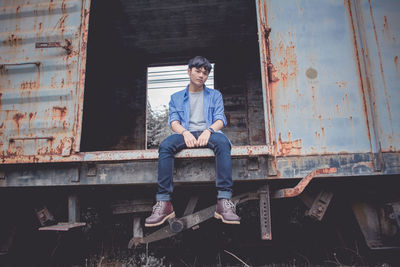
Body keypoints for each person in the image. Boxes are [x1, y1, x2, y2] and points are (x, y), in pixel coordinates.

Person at [145, 56, 240, 227]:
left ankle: (224, 201)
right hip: (185, 132)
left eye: (205, 73)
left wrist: (209, 130)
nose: (201, 75)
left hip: (209, 132)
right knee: (165, 146)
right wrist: (185, 133)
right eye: (197, 71)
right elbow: (174, 122)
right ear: (189, 71)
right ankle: (164, 203)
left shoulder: (214, 95)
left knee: (223, 143)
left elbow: (220, 119)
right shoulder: (176, 97)